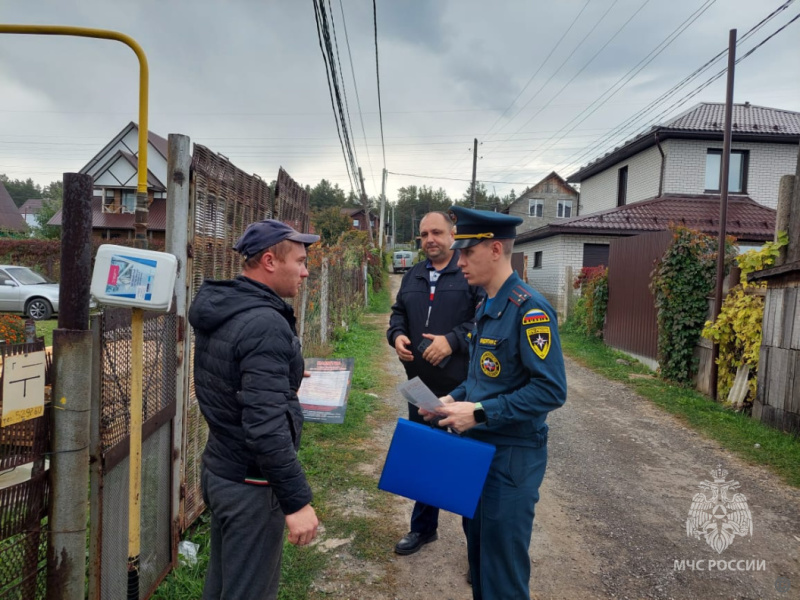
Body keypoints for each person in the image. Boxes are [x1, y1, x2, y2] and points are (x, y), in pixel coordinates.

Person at [421, 206, 567, 600]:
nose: (460, 260)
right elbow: (482, 378)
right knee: (481, 555)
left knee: (502, 571)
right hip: (478, 450)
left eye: (468, 253)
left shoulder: (530, 310)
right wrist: (453, 399)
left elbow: (552, 390)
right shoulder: (486, 305)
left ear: (496, 249)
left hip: (512, 458)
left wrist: (481, 412)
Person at [189, 219, 321, 600]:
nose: (305, 270)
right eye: (299, 260)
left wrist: (287, 370)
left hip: (220, 468)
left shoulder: (229, 306)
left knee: (224, 583)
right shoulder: (264, 322)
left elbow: (233, 375)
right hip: (250, 482)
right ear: (268, 261)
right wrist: (296, 502)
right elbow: (265, 427)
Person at [386, 211, 482, 556]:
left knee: (466, 468)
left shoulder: (470, 271)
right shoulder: (414, 273)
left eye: (437, 232)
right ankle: (423, 529)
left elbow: (483, 322)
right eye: (424, 234)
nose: (430, 239)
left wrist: (453, 340)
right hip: (422, 389)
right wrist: (396, 335)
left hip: (463, 391)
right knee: (426, 460)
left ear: (453, 234)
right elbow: (398, 314)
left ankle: (478, 550)